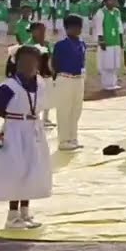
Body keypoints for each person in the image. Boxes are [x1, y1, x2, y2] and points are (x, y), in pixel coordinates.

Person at [0, 45, 52, 229]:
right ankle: (12, 216)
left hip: (33, 129)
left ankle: (25, 212)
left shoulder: (39, 83)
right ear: (17, 63)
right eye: (25, 62)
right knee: (16, 171)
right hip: (15, 130)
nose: (30, 66)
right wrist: (13, 119)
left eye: (33, 62)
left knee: (32, 168)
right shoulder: (8, 86)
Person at [52, 14, 88, 152]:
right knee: (64, 110)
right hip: (65, 78)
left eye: (79, 27)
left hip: (78, 79)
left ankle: (73, 137)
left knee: (76, 109)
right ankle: (63, 140)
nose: (77, 30)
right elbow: (54, 62)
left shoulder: (82, 43)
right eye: (73, 27)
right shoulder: (61, 45)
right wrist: (58, 77)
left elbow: (82, 61)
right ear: (67, 28)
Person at [93, 0, 124, 92]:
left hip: (116, 41)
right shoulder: (101, 12)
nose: (114, 2)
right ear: (105, 2)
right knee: (107, 64)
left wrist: (121, 40)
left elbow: (119, 27)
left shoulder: (117, 12)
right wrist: (101, 40)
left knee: (115, 63)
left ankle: (113, 83)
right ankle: (106, 84)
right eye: (111, 0)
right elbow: (99, 27)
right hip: (107, 41)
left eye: (115, 0)